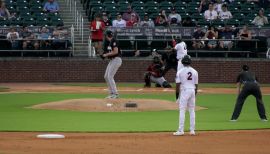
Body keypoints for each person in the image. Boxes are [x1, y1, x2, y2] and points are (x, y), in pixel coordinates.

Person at [174, 55, 198, 136]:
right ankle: (192, 130)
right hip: (192, 90)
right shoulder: (195, 71)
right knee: (192, 110)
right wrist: (195, 94)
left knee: (182, 110)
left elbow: (177, 85)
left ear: (182, 62)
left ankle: (181, 130)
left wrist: (177, 96)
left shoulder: (180, 71)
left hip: (184, 91)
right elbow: (196, 86)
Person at [101, 30, 122, 99]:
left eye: (106, 35)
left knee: (110, 76)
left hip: (116, 59)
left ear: (108, 35)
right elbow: (110, 52)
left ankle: (115, 93)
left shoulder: (114, 41)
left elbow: (115, 52)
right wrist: (104, 55)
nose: (105, 37)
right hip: (112, 60)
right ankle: (111, 93)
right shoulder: (109, 42)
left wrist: (106, 55)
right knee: (106, 76)